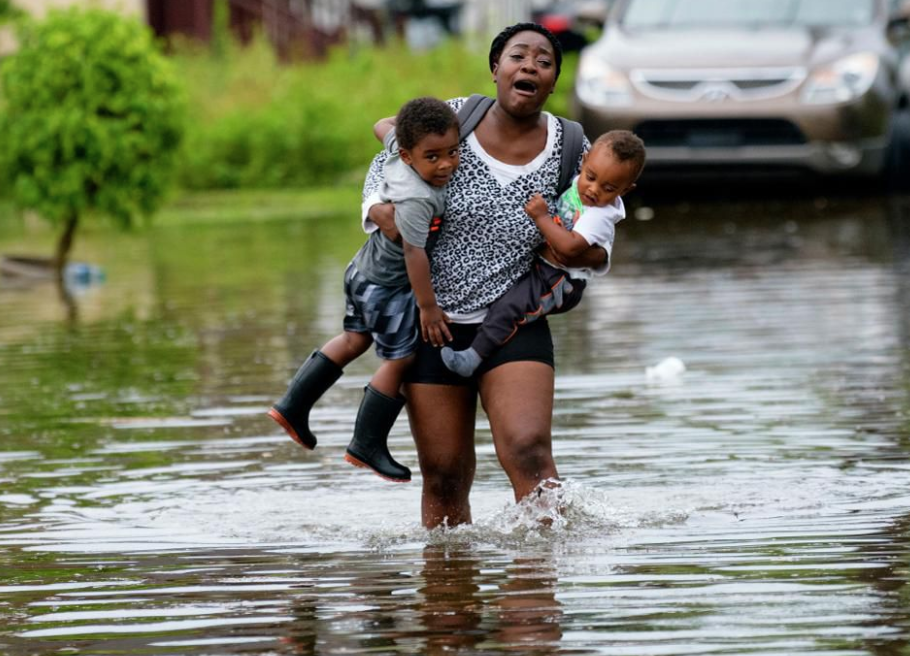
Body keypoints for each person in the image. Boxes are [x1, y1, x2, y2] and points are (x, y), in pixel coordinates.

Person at [363, 23, 607, 528]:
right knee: (444, 472)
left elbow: (600, 209)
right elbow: (386, 163)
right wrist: (379, 211)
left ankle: (540, 588)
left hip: (514, 317)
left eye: (544, 61)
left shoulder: (573, 147)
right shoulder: (453, 118)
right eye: (518, 56)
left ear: (553, 82)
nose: (530, 66)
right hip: (431, 320)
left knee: (528, 450)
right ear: (496, 68)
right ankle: (448, 593)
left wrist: (591, 252)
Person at [268, 97, 460, 484]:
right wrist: (427, 307)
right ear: (408, 157)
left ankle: (292, 405)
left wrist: (401, 129)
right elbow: (413, 251)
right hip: (388, 286)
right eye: (433, 157)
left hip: (360, 272)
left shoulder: (398, 149)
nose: (446, 165)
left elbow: (380, 124)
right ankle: (367, 443)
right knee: (401, 358)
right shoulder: (418, 197)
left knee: (354, 339)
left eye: (453, 152)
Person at [441, 130, 646, 377]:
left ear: (625, 190)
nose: (594, 189)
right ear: (583, 161)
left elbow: (569, 248)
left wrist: (541, 218)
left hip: (560, 281)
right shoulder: (576, 181)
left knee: (511, 307)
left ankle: (472, 358)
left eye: (609, 188)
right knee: (503, 297)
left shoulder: (600, 215)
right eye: (591, 177)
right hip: (544, 269)